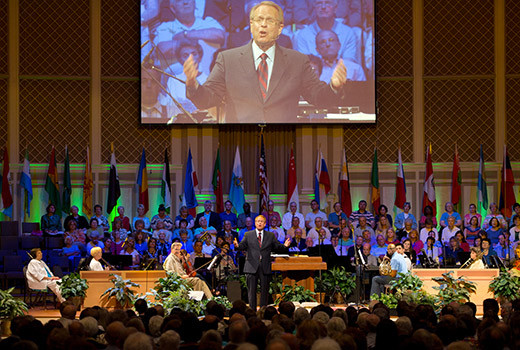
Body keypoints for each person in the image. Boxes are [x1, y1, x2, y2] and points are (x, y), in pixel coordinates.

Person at [184, 1, 347, 124]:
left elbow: (318, 97)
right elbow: (208, 99)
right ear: (251, 25)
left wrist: (334, 87)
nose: (263, 25)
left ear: (280, 27)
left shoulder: (298, 61)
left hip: (283, 143)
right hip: (240, 144)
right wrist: (193, 85)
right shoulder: (227, 60)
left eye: (269, 20)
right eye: (258, 20)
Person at [234, 215, 291, 309]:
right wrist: (237, 246)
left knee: (265, 291)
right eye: (257, 221)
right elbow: (242, 246)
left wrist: (285, 246)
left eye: (261, 221)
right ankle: (252, 311)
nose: (259, 223)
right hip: (251, 266)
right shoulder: (248, 235)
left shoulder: (270, 235)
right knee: (251, 291)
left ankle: (263, 311)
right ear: (255, 223)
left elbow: (277, 247)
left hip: (265, 266)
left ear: (264, 224)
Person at [156, 0, 225, 78]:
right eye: (179, 1)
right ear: (172, 7)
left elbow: (220, 36)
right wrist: (198, 40)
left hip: (210, 81)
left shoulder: (208, 22)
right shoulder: (165, 27)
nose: (185, 2)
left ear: (195, 3)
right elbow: (161, 49)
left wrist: (185, 35)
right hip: (176, 82)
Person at [293, 0, 359, 64]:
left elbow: (349, 64)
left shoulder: (348, 33)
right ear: (315, 8)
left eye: (328, 3)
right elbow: (305, 66)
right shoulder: (303, 35)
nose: (323, 7)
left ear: (335, 8)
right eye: (319, 3)